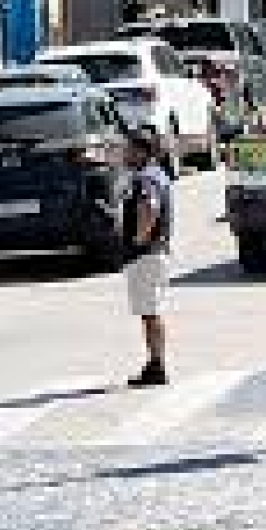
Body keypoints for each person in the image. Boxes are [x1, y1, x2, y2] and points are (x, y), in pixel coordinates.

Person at [123, 124, 173, 387]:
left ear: (142, 152)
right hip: (154, 253)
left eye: (129, 149)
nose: (125, 154)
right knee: (150, 312)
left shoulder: (146, 178)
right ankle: (155, 363)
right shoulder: (157, 174)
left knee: (150, 313)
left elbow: (150, 206)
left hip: (147, 255)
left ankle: (157, 365)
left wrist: (140, 237)